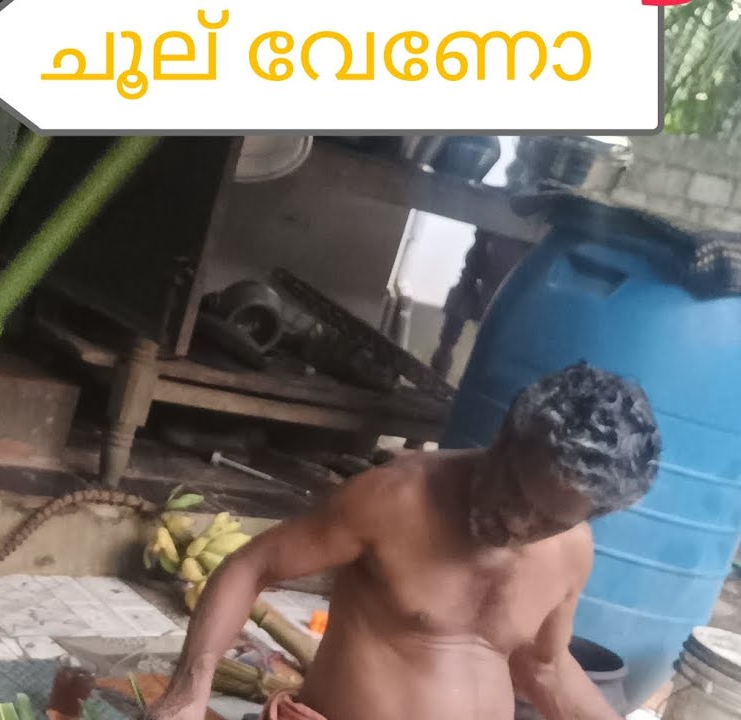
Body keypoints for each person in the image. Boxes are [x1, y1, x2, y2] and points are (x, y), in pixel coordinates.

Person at [148, 363, 661, 720]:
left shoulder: (572, 552)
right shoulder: (395, 498)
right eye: (515, 489)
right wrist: (188, 691)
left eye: (549, 520)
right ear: (503, 441)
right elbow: (251, 567)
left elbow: (544, 668)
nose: (517, 522)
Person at [431, 228, 533, 380]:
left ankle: (448, 360)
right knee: (465, 288)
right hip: (491, 283)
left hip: (519, 297)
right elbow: (469, 275)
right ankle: (441, 364)